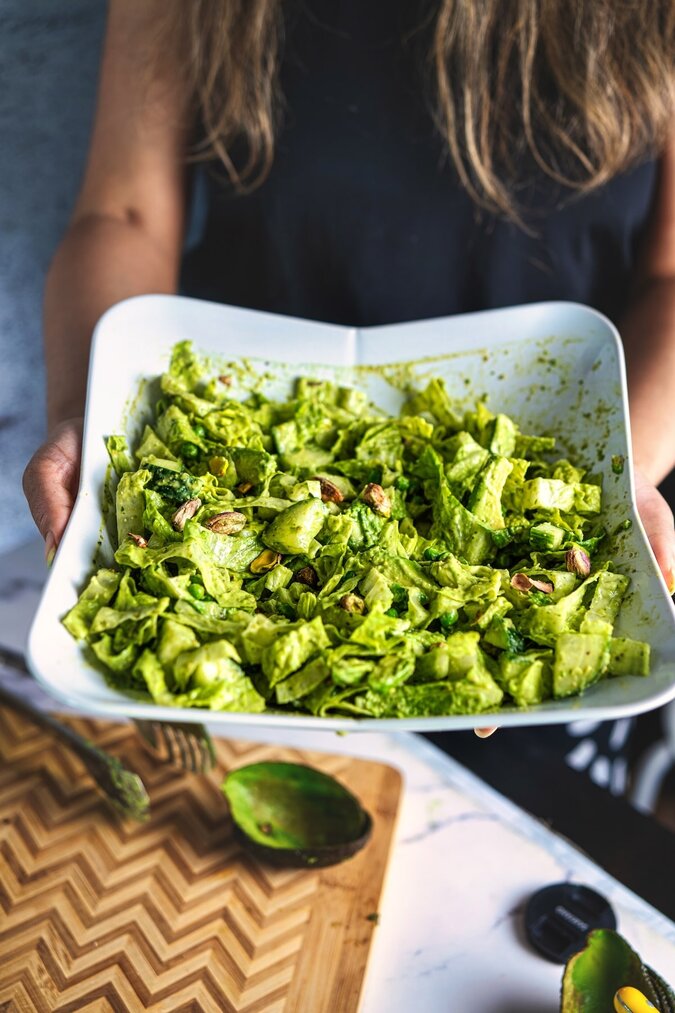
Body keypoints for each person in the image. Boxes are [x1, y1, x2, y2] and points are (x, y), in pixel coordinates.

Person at [21, 1, 675, 775]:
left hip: (572, 414)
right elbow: (123, 211)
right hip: (239, 403)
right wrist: (88, 412)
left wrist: (620, 469)